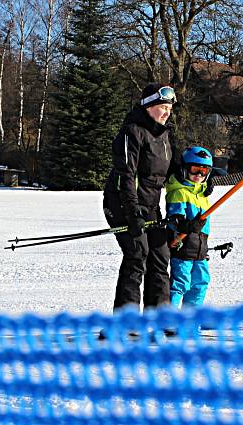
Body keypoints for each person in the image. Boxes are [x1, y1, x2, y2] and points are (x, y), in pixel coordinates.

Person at [103, 83, 177, 311]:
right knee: (137, 255)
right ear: (148, 106)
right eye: (163, 107)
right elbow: (125, 175)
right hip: (122, 204)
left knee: (160, 255)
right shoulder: (132, 131)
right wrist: (132, 213)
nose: (166, 112)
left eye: (169, 108)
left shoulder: (164, 135)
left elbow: (176, 170)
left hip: (150, 205)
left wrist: (203, 179)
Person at [165, 146, 216, 308]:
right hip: (182, 247)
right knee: (180, 283)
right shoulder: (179, 192)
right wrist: (186, 225)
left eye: (203, 171)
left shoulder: (202, 196)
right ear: (184, 169)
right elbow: (174, 220)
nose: (199, 175)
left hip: (200, 248)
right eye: (195, 170)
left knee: (200, 283)